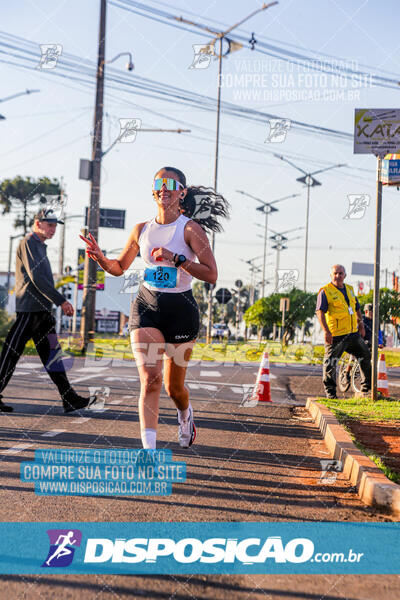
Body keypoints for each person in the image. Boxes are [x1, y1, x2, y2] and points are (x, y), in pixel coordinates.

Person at [80, 166, 229, 449]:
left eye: (170, 183)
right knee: (150, 380)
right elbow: (119, 267)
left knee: (175, 389)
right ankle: (149, 452)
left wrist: (178, 260)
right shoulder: (141, 230)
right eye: (159, 182)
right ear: (153, 189)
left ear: (181, 192)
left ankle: (185, 414)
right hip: (147, 307)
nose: (164, 187)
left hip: (181, 312)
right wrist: (100, 258)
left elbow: (211, 274)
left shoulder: (189, 229)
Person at [0, 209, 95, 413]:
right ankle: (68, 396)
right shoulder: (29, 243)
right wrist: (61, 301)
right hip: (29, 310)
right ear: (38, 223)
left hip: (42, 311)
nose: (53, 229)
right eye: (49, 225)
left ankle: (69, 397)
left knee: (53, 356)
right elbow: (36, 277)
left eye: (54, 226)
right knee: (10, 353)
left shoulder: (40, 246)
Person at [316, 264, 371, 399]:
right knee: (331, 363)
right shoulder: (325, 291)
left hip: (352, 334)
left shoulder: (350, 289)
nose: (338, 276)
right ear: (331, 275)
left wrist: (361, 324)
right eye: (335, 273)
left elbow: (357, 307)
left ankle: (365, 389)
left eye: (340, 273)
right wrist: (326, 331)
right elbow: (320, 312)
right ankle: (331, 394)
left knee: (365, 355)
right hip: (336, 336)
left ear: (345, 275)